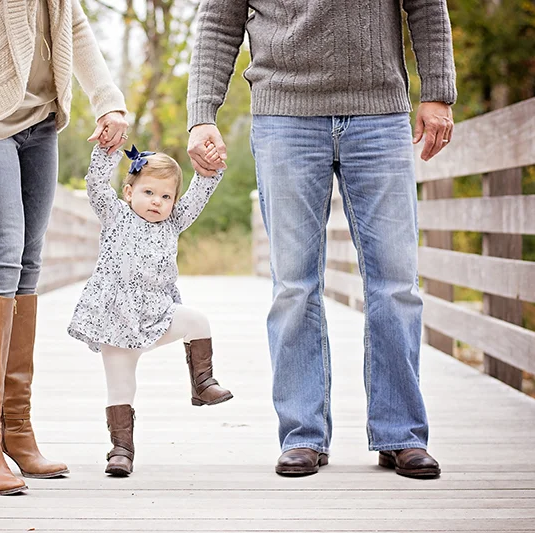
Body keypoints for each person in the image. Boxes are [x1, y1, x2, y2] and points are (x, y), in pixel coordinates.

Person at [187, 0, 457, 478]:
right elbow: (217, 20)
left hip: (379, 114)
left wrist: (437, 92)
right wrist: (202, 112)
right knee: (294, 286)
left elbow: (426, 7)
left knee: (396, 282)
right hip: (284, 115)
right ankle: (303, 435)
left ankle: (401, 435)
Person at [0, 0, 129, 494]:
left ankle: (16, 428)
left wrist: (107, 98)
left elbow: (72, 24)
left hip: (39, 124)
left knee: (27, 268)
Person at [68, 143, 232, 477]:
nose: (157, 202)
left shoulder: (172, 224)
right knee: (121, 386)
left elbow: (197, 198)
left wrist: (209, 170)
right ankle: (121, 450)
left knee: (197, 321)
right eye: (148, 192)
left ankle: (202, 384)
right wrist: (107, 151)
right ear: (128, 192)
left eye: (166, 197)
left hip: (157, 315)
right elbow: (97, 185)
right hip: (115, 321)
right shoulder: (115, 216)